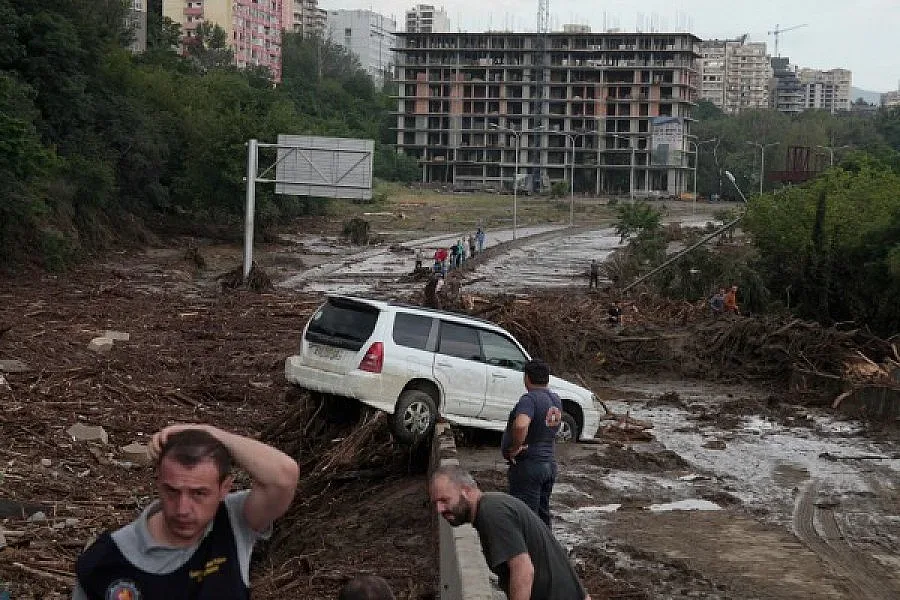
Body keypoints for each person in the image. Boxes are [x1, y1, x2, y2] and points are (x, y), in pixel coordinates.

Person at [73, 425, 299, 600]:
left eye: (199, 494)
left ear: (224, 489)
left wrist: (208, 432)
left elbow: (283, 476)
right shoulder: (108, 559)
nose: (183, 509)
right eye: (172, 491)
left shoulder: (234, 522)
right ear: (158, 483)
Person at [429, 466, 591, 600]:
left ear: (466, 491)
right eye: (436, 503)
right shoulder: (493, 506)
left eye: (444, 500)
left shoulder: (491, 512)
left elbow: (523, 570)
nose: (439, 509)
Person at [500, 360, 563, 528]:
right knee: (542, 516)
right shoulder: (555, 399)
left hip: (529, 465)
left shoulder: (529, 399)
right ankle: (547, 551)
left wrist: (515, 447)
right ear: (547, 379)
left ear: (526, 378)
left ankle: (529, 552)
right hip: (549, 464)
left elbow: (521, 424)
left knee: (524, 518)